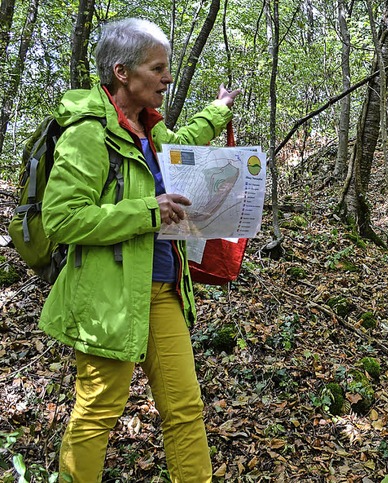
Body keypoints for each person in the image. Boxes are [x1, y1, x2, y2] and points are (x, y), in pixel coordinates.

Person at [38, 18, 240, 482]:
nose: (167, 78)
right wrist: (149, 211)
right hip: (108, 297)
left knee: (185, 408)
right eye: (158, 68)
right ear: (122, 72)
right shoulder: (88, 132)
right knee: (97, 415)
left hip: (163, 290)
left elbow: (183, 146)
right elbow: (63, 218)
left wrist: (218, 111)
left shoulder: (151, 130)